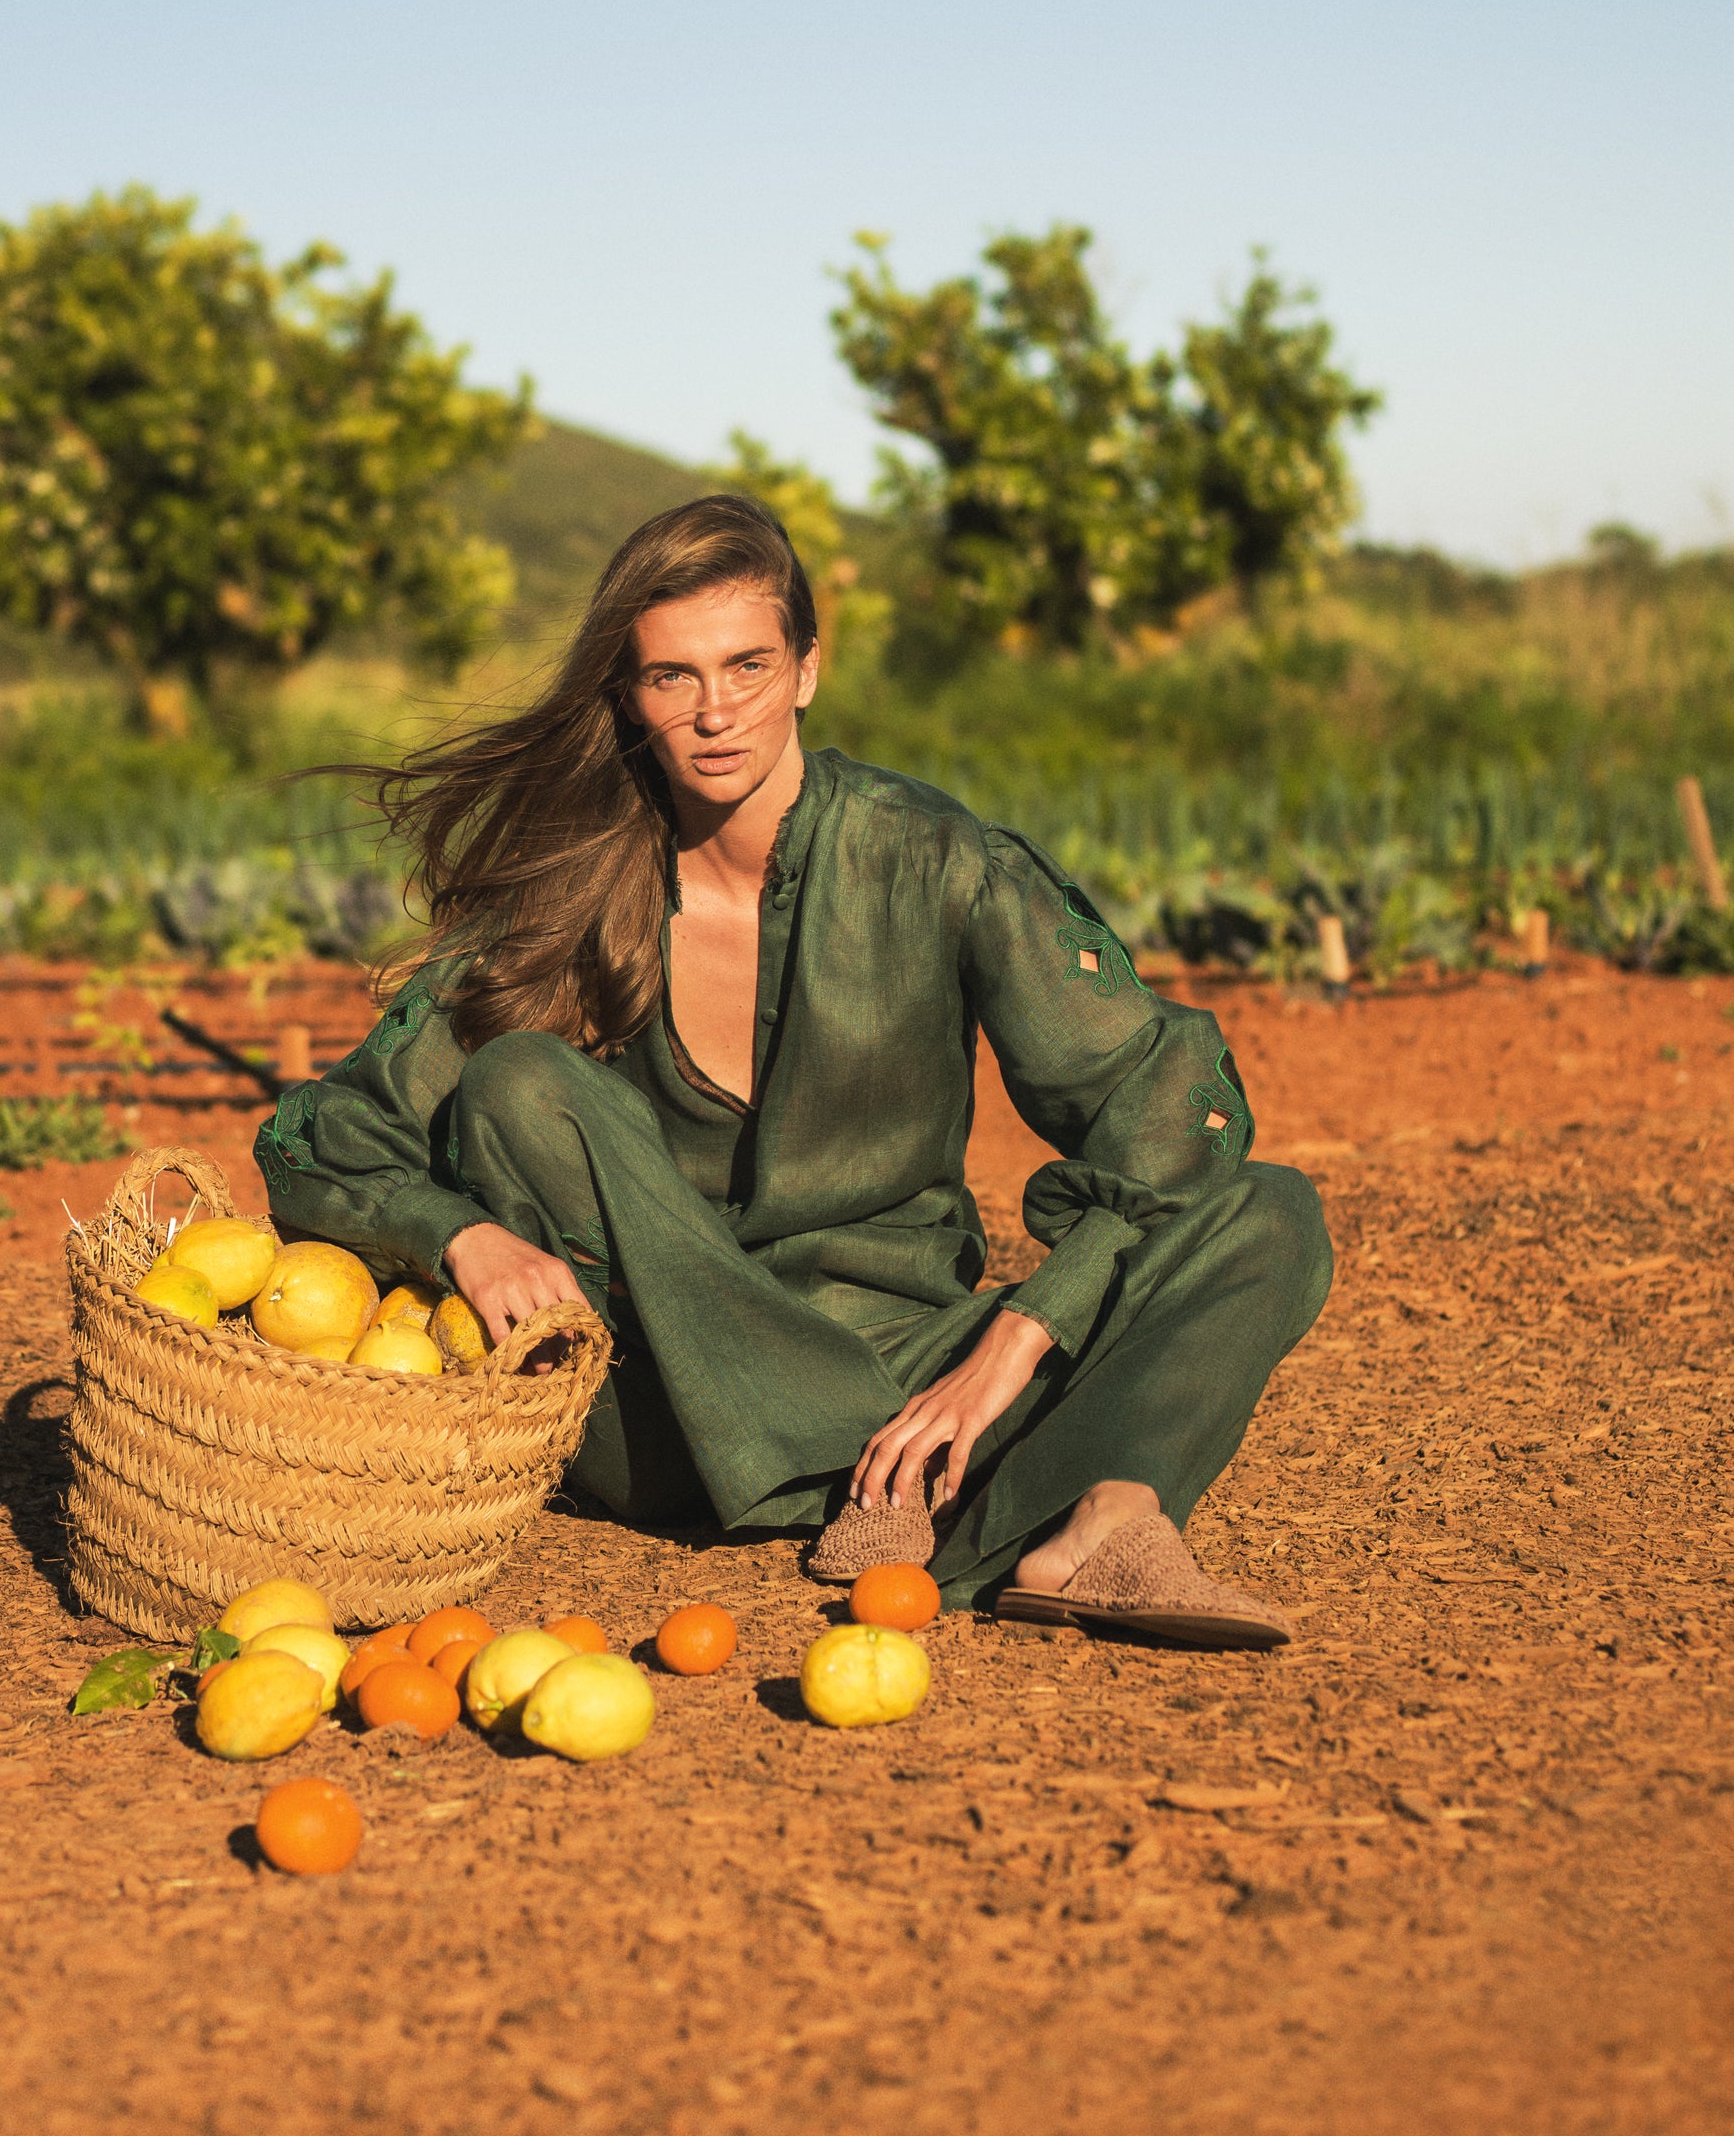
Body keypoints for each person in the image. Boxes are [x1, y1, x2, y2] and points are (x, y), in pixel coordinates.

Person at [254, 496, 1331, 1647]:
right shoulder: (570, 895)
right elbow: (330, 1134)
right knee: (522, 1080)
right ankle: (951, 1480)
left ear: (808, 668)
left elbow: (1167, 1107)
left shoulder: (932, 857)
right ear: (628, 696)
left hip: (908, 1366)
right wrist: (458, 1233)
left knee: (1273, 1208)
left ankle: (1098, 1512)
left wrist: (1015, 1338)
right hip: (661, 1405)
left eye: (749, 665)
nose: (715, 712)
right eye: (672, 677)